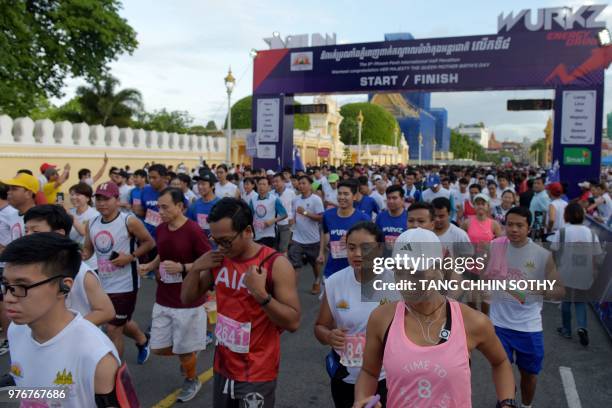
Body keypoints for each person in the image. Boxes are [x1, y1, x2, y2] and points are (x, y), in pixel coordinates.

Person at [353, 228, 516, 408]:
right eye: (399, 271)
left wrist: (507, 402)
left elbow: (500, 362)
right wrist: (362, 399)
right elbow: (369, 371)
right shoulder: (381, 318)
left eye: (416, 273)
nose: (406, 282)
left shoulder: (471, 321)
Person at [181, 198, 301, 407]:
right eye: (214, 239)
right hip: (223, 365)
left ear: (247, 231)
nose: (220, 246)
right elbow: (187, 298)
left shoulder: (275, 264)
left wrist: (261, 295)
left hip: (256, 370)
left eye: (226, 240)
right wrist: (196, 268)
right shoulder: (219, 258)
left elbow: (293, 322)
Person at [1, 233, 121, 407]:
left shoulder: (97, 357)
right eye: (5, 285)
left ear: (64, 286)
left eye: (22, 286)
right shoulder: (16, 330)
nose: (9, 298)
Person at [315, 222, 400, 408]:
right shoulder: (335, 282)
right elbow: (320, 327)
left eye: (366, 248)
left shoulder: (396, 282)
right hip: (346, 376)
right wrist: (329, 336)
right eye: (352, 248)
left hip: (386, 377)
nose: (358, 254)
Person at [138, 188, 211, 402]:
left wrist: (183, 267)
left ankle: (192, 378)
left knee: (184, 350)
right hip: (163, 296)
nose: (160, 211)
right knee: (159, 347)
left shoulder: (194, 231)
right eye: (158, 207)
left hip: (187, 300)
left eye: (165, 207)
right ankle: (189, 353)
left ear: (180, 207)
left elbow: (209, 260)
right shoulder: (160, 229)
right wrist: (150, 265)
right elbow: (163, 252)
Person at [488, 206, 564, 408]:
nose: (513, 229)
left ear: (528, 228)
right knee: (502, 369)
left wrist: (536, 288)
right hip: (499, 324)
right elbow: (484, 276)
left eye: (519, 225)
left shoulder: (542, 255)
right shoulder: (495, 247)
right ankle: (506, 402)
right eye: (509, 224)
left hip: (528, 327)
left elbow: (559, 291)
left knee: (528, 375)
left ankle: (526, 405)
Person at [82, 182, 156, 362]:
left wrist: (130, 257)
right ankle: (142, 339)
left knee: (113, 328)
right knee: (117, 321)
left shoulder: (128, 221)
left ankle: (114, 377)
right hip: (103, 283)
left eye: (106, 199)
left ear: (117, 200)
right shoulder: (91, 223)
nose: (101, 203)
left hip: (125, 284)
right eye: (98, 199)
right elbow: (88, 251)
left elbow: (149, 242)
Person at [23, 204, 115, 326]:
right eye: (26, 230)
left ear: (59, 234)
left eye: (35, 231)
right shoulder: (28, 266)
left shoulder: (80, 272)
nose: (28, 236)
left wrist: (67, 331)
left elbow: (106, 311)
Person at [550, 202, 602, 346]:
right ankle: (582, 327)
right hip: (584, 273)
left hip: (565, 271)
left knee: (566, 301)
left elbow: (554, 252)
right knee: (580, 302)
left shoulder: (562, 232)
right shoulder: (591, 233)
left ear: (566, 215)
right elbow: (596, 255)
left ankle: (566, 329)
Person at [320, 181, 370, 279]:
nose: (342, 197)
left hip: (355, 272)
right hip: (332, 270)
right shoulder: (327, 215)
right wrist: (321, 252)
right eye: (339, 193)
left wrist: (351, 241)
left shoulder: (364, 218)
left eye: (346, 194)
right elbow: (325, 233)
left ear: (354, 196)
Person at [289, 175, 325, 295]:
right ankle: (292, 290)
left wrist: (305, 212)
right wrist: (292, 221)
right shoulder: (295, 200)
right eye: (300, 183)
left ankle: (317, 280)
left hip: (312, 239)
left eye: (304, 183)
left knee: (315, 265)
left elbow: (321, 218)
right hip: (297, 239)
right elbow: (294, 216)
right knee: (295, 265)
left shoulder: (316, 199)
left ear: (310, 185)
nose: (301, 185)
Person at [68, 182, 100, 271]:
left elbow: (83, 232)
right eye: (72, 194)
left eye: (77, 194)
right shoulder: (71, 212)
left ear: (87, 198)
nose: (73, 197)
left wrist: (69, 215)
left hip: (89, 263)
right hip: (72, 260)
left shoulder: (94, 214)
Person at [250, 177, 287, 248]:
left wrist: (273, 221)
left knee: (267, 255)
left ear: (269, 187)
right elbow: (250, 215)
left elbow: (284, 215)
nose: (261, 186)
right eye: (259, 184)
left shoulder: (274, 199)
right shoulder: (253, 199)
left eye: (264, 184)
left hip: (270, 234)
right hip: (256, 233)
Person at [187, 174, 220, 241]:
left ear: (212, 186)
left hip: (217, 248)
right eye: (198, 184)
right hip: (199, 248)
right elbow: (189, 228)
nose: (200, 187)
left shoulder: (221, 205)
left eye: (203, 184)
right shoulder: (194, 206)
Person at [272, 173, 295, 255]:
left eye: (277, 181)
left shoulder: (291, 193)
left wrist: (293, 218)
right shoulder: (271, 194)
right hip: (273, 224)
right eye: (273, 181)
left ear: (283, 181)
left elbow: (294, 207)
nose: (275, 183)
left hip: (286, 223)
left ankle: (284, 266)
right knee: (274, 248)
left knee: (283, 248)